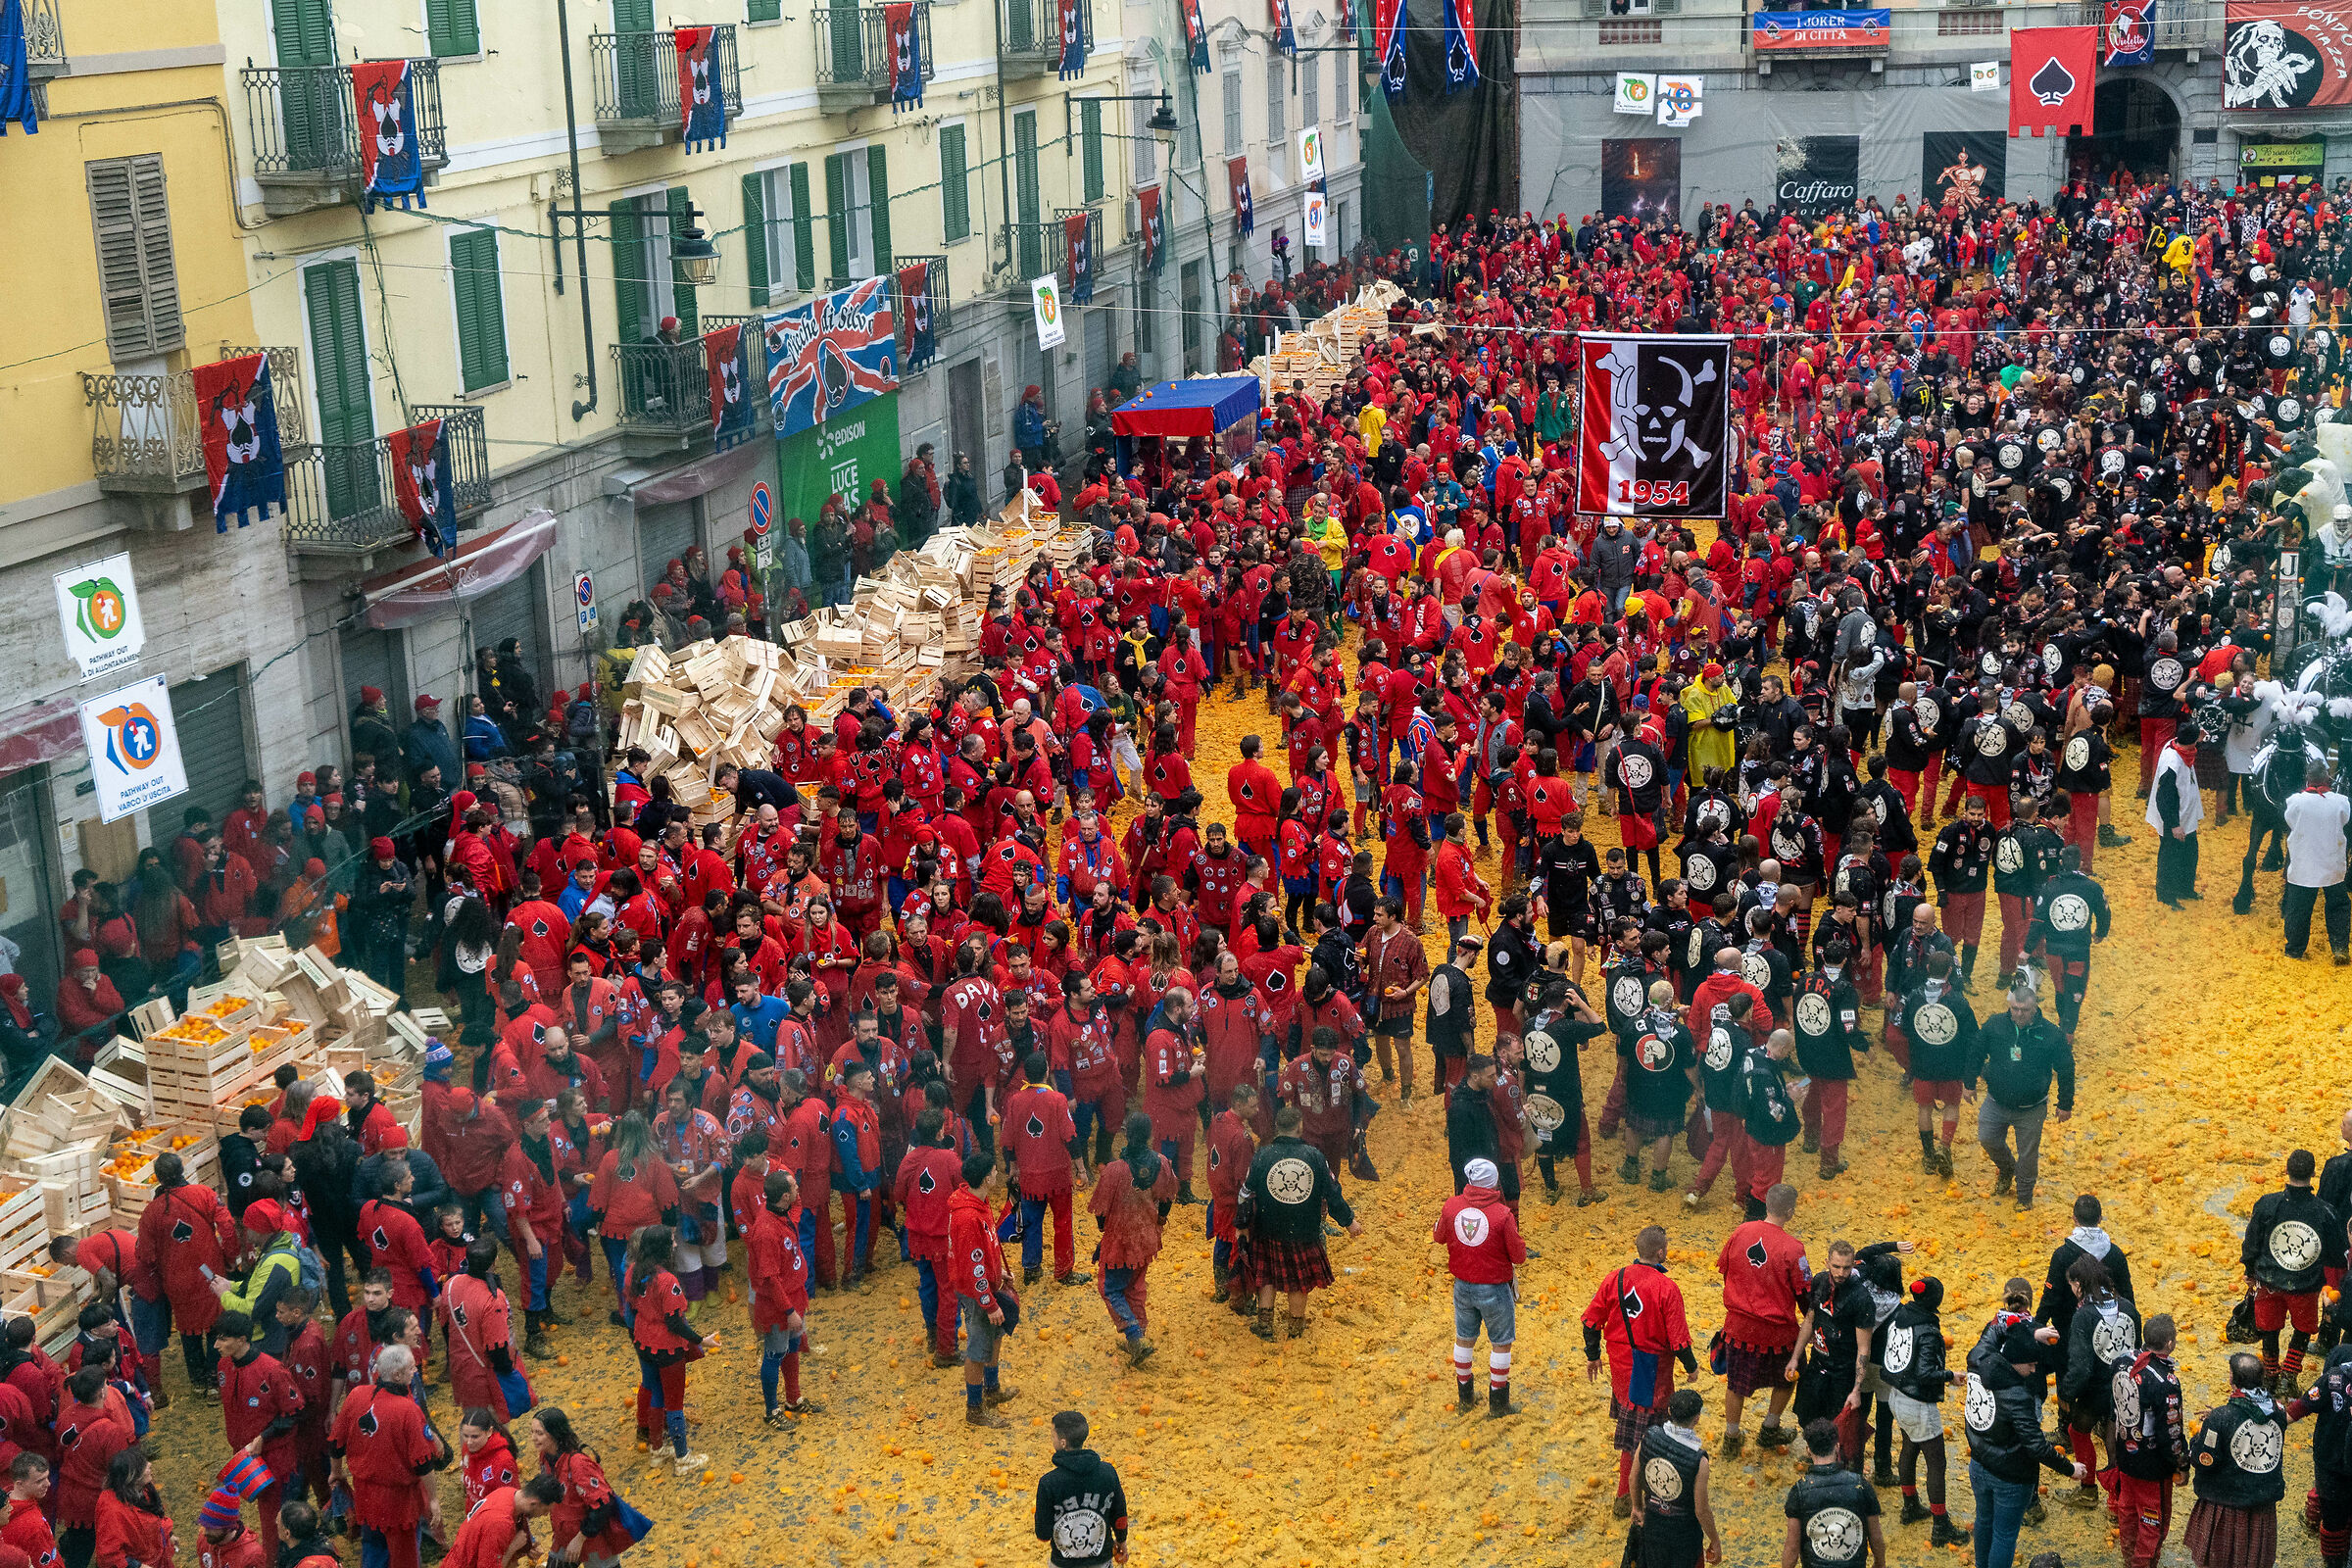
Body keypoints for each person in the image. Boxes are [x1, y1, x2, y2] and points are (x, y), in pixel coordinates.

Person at [1962, 1306, 2089, 1568]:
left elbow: (1994, 1327)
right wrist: (2070, 1468)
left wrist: (2028, 1331)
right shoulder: (2017, 1396)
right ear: (2016, 1361)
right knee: (2005, 1535)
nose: (2034, 1370)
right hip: (2010, 1474)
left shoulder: (1978, 1357)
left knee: (1984, 1521)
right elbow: (2036, 1445)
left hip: (1978, 1460)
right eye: (2031, 1364)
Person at [1582, 1224, 1694, 1511]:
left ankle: (1627, 1493)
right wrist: (1691, 1367)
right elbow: (1679, 1339)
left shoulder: (1615, 1278)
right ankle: (1628, 1496)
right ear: (1660, 1252)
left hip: (1621, 1367)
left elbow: (1590, 1322)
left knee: (1632, 1427)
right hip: (1651, 1371)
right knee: (1642, 1437)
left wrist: (1593, 1355)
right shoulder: (1667, 1288)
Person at [1239, 1102, 1359, 1342]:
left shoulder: (1263, 1155)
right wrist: (1349, 1221)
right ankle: (1295, 1328)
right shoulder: (1314, 1156)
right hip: (1304, 1231)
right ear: (1300, 1127)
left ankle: (1265, 1326)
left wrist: (1241, 1225)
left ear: (1277, 1128)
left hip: (1268, 1228)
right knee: (1298, 1282)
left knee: (1267, 1278)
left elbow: (1244, 1192)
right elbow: (1332, 1193)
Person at [328, 1346, 445, 1568]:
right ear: (397, 1375)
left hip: (365, 1494)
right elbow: (423, 1463)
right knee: (405, 1558)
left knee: (372, 1550)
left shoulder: (356, 1396)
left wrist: (336, 1473)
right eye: (412, 1368)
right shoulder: (408, 1410)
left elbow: (335, 1443)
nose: (415, 1372)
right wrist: (433, 1499)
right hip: (399, 1502)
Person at [1714, 1181, 1808, 1455]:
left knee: (1736, 1384)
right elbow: (1804, 1293)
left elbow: (1724, 1270)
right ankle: (1770, 1428)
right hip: (1777, 1333)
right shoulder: (1794, 1248)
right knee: (1787, 1377)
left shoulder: (1740, 1231)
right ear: (1790, 1212)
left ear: (1766, 1205)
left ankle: (1731, 1436)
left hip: (1738, 1327)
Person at [2242, 1148, 2343, 1394]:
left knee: (2269, 1328)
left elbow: (2252, 1240)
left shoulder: (2267, 1204)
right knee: (2303, 1329)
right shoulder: (2325, 1212)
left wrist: (2248, 1268)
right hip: (2306, 1284)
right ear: (2313, 1173)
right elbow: (2335, 1252)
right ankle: (2288, 1375)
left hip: (2268, 1281)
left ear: (2286, 1170)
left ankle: (2270, 1375)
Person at [1877, 1276, 1967, 1549]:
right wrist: (1951, 1375)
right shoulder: (1928, 1330)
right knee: (1936, 1463)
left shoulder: (1901, 1313)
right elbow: (1927, 1372)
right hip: (1918, 1403)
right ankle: (1941, 1525)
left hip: (1896, 1395)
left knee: (1908, 1448)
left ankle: (1910, 1505)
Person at [1966, 983, 2072, 1210]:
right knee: (1987, 1138)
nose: (2019, 1014)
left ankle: (2024, 1196)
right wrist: (1969, 1083)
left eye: (2024, 1010)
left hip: (2032, 1107)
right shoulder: (1996, 1025)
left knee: (2028, 1155)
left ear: (2034, 1008)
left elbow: (2066, 1068)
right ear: (2009, 1005)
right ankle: (2006, 1168)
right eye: (2015, 1009)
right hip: (1996, 1100)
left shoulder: (2051, 1034)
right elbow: (1976, 1051)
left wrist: (2065, 1103)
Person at [2184, 1352, 2293, 1568]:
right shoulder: (2278, 1411)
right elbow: (2250, 1418)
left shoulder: (2222, 1418)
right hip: (2261, 1505)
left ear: (2233, 1379)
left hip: (2226, 1505)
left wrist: (2197, 1440)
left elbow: (2206, 1460)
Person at [620, 1226, 714, 1475]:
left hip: (643, 1342)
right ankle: (683, 1457)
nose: (675, 1245)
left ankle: (657, 1450)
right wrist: (701, 1340)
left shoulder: (632, 1271)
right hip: (667, 1348)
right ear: (663, 1247)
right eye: (672, 1241)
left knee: (656, 1395)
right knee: (674, 1403)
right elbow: (674, 1322)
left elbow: (631, 1307)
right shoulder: (667, 1281)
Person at [1085, 1115, 1175, 1367]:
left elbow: (1101, 1215)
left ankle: (1134, 1337)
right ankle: (1139, 1338)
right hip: (1147, 1238)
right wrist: (1158, 1221)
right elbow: (1167, 1199)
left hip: (1122, 1239)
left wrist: (1105, 1237)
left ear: (1126, 1133)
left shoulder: (1114, 1171)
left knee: (1111, 1288)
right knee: (1135, 1286)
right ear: (1150, 1133)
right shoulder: (1163, 1163)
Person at [948, 1152, 1021, 1428]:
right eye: (994, 1170)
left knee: (996, 1336)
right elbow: (972, 1266)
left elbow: (983, 1251)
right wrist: (989, 1304)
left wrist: (997, 1272)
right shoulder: (967, 1217)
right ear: (986, 1177)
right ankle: (975, 1409)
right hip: (977, 1292)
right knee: (978, 1349)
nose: (997, 1174)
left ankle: (992, 1389)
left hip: (986, 1286)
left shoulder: (979, 1202)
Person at [745, 1167, 817, 1429]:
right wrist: (789, 1312)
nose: (799, 1192)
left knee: (793, 1349)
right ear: (784, 1197)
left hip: (795, 1297)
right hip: (778, 1307)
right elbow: (770, 1279)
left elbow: (798, 1200)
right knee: (774, 1354)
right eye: (794, 1189)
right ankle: (771, 1410)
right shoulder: (765, 1232)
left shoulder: (783, 1212)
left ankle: (793, 1398)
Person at [531, 1407, 639, 1568]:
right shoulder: (545, 1458)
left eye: (539, 1433)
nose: (533, 1438)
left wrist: (580, 1538)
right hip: (563, 1536)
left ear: (554, 1433)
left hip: (592, 1539)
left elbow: (604, 1504)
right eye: (532, 1432)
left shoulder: (578, 1464)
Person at [1631, 1386, 1720, 1568]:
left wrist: (1637, 1507)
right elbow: (1701, 1510)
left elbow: (1633, 1477)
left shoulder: (1649, 1436)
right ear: (1697, 1418)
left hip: (1653, 1522)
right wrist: (1715, 1540)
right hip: (1684, 1533)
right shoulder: (1699, 1461)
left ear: (1670, 1411)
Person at [1780, 1418, 1886, 1568]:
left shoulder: (1800, 1490)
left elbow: (1792, 1547)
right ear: (1837, 1446)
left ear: (1808, 1450)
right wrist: (1880, 1563)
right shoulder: (1861, 1485)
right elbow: (1876, 1536)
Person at [1033, 1410, 1128, 1568]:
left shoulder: (1048, 1483)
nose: (1051, 1439)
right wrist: (1121, 1540)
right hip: (1101, 1559)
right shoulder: (1108, 1472)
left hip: (1063, 1562)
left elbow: (1043, 1535)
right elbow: (1120, 1514)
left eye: (1052, 1436)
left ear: (1062, 1443)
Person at [2281, 761, 2351, 963]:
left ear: (2307, 778)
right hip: (2332, 862)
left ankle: (2294, 950)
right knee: (2338, 905)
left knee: (2298, 909)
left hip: (2304, 863)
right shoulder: (2341, 802)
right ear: (2327, 777)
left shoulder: (2295, 802)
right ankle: (2339, 948)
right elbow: (2345, 821)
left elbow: (2290, 821)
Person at [2146, 720, 2203, 906]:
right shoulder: (2172, 763)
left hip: (2187, 816)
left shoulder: (2177, 745)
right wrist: (2173, 824)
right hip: (2174, 819)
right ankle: (2167, 895)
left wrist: (2198, 738)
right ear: (2191, 742)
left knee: (2189, 854)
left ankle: (2185, 889)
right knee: (2170, 858)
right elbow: (2164, 798)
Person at [91, 1448, 170, 1568]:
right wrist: (137, 1566)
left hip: (155, 1558)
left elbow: (155, 1516)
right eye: (143, 1465)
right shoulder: (112, 1510)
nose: (150, 1464)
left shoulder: (145, 1489)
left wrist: (168, 1534)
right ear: (133, 1477)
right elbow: (109, 1555)